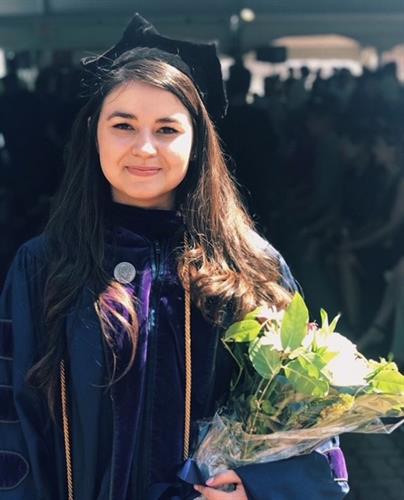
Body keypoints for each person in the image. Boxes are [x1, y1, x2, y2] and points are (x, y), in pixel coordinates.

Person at [0, 13, 348, 500]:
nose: (145, 148)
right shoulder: (43, 266)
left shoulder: (250, 266)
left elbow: (309, 419)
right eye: (123, 125)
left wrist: (260, 487)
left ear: (197, 141)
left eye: (167, 129)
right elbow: (11, 425)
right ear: (94, 133)